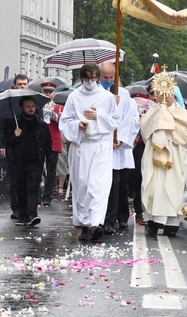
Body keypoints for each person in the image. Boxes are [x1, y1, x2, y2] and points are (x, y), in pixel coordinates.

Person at [59, 64, 120, 241]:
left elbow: (114, 120)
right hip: (81, 145)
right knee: (82, 184)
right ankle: (84, 223)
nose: (90, 82)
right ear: (82, 78)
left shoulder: (107, 97)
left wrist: (98, 116)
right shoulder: (73, 97)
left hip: (100, 145)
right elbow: (65, 121)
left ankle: (96, 223)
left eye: (94, 78)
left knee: (98, 185)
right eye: (87, 79)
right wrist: (78, 124)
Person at [140, 72, 187, 236]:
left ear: (174, 94)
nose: (165, 97)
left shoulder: (182, 113)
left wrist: (169, 127)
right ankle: (154, 220)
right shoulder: (153, 111)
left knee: (173, 186)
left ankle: (172, 222)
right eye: (161, 93)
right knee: (154, 185)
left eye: (169, 94)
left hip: (175, 155)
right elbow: (144, 127)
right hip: (155, 155)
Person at [98, 62, 140, 234]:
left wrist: (121, 139)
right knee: (110, 185)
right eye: (105, 78)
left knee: (121, 184)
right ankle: (109, 218)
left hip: (120, 148)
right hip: (103, 145)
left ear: (116, 74)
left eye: (111, 77)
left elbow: (131, 119)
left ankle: (122, 216)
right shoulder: (98, 94)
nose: (108, 80)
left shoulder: (124, 94)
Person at [5, 96, 55, 226]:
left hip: (35, 162)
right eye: (27, 106)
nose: (31, 109)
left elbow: (47, 144)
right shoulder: (15, 123)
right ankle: (23, 216)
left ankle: (32, 214)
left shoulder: (41, 124)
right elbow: (8, 143)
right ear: (22, 108)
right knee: (21, 189)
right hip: (19, 162)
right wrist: (14, 136)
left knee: (33, 188)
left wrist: (49, 160)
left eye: (32, 106)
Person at [0, 74, 30, 219]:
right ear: (15, 85)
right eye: (19, 84)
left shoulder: (32, 100)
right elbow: (1, 126)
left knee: (29, 177)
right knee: (15, 178)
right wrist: (1, 144)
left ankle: (28, 206)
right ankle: (16, 208)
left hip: (29, 145)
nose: (22, 87)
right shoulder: (8, 102)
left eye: (24, 84)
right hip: (13, 145)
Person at [40, 82, 63, 205]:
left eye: (50, 92)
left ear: (54, 93)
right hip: (40, 140)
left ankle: (47, 195)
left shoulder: (59, 107)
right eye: (46, 92)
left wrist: (52, 114)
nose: (48, 94)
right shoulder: (38, 106)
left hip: (53, 140)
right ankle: (37, 193)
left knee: (51, 169)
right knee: (38, 167)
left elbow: (63, 122)